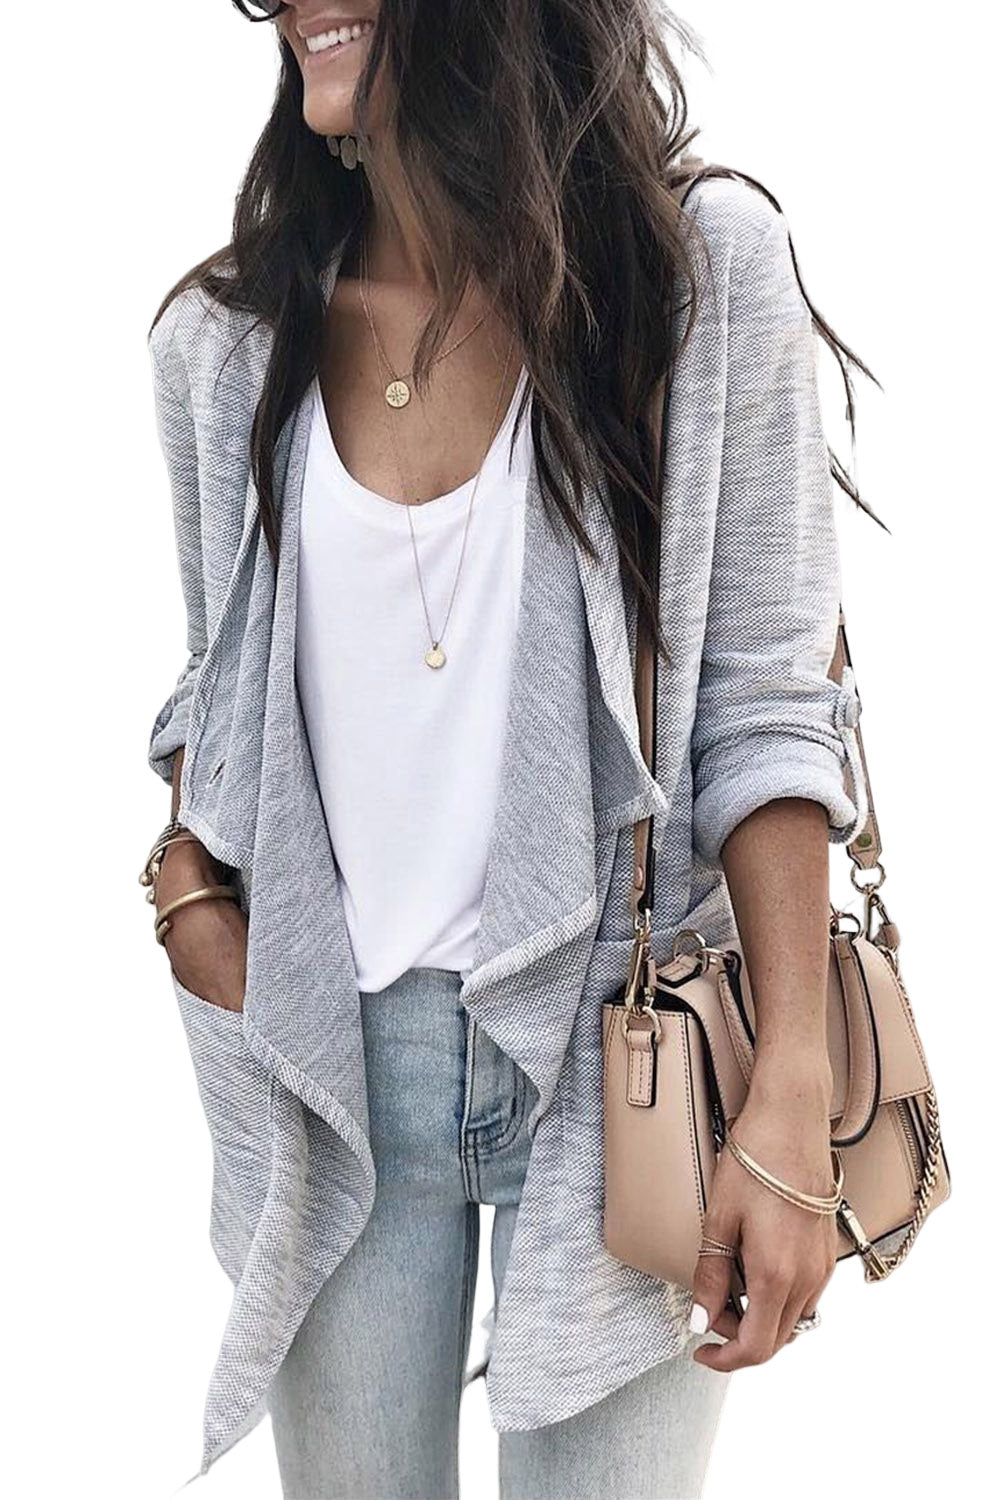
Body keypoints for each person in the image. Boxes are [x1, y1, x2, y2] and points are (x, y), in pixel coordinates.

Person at [141, 3, 877, 1495]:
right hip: (336, 1070)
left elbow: (766, 704)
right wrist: (189, 892)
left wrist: (791, 1086)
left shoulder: (690, 277)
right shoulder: (225, 345)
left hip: (629, 1064)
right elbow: (219, 702)